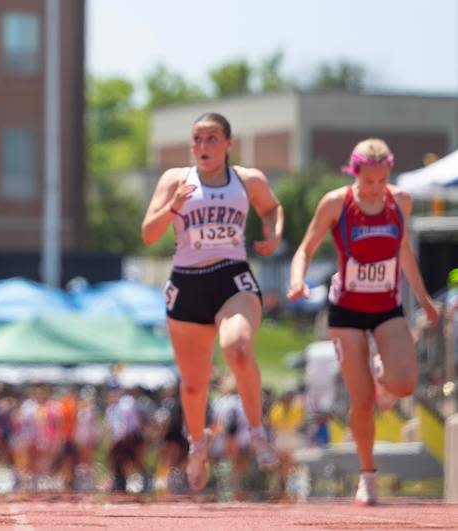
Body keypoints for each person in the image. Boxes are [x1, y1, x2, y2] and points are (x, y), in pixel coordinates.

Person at [288, 138, 440, 505]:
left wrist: (423, 299)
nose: (375, 189)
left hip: (385, 306)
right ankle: (367, 475)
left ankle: (382, 368)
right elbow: (305, 249)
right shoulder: (336, 203)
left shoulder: (400, 201)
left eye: (381, 180)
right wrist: (297, 280)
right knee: (362, 399)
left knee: (403, 385)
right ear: (354, 174)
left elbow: (403, 251)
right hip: (346, 311)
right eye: (368, 181)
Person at [140, 112, 282, 491]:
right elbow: (149, 234)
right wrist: (173, 206)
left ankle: (256, 430)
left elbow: (271, 207)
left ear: (228, 144)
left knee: (236, 350)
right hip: (187, 284)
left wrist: (273, 231)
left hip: (231, 278)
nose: (203, 146)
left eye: (212, 139)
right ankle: (197, 445)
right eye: (197, 139)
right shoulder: (175, 180)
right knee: (193, 384)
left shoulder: (247, 179)